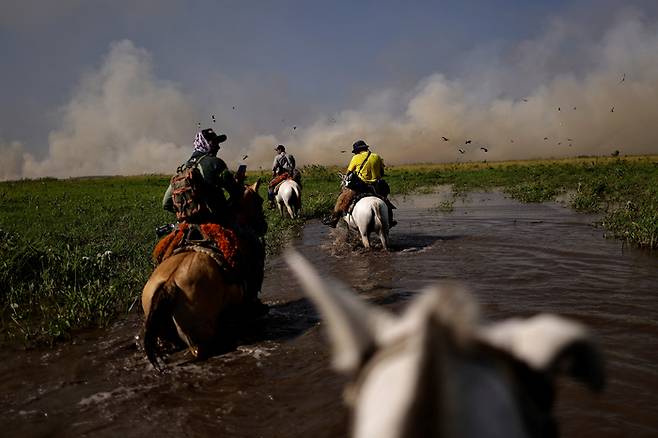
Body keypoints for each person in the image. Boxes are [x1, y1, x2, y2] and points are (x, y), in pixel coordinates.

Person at [162, 128, 242, 224]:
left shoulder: (182, 169)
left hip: (189, 223)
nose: (218, 147)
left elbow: (166, 204)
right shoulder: (216, 163)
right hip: (218, 222)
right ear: (204, 143)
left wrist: (187, 212)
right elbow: (236, 192)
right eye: (214, 143)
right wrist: (238, 181)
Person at [322, 139, 396, 228]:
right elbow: (382, 172)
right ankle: (390, 220)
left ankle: (334, 220)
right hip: (376, 186)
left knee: (341, 200)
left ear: (357, 151)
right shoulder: (376, 156)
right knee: (385, 200)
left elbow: (348, 173)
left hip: (360, 186)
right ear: (365, 148)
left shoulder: (356, 158)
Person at [267, 144, 299, 208]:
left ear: (280, 150)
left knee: (270, 185)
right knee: (298, 184)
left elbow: (274, 168)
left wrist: (274, 174)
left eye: (277, 150)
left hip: (284, 175)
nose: (277, 151)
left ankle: (271, 202)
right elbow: (294, 165)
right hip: (292, 174)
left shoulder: (277, 157)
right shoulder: (290, 155)